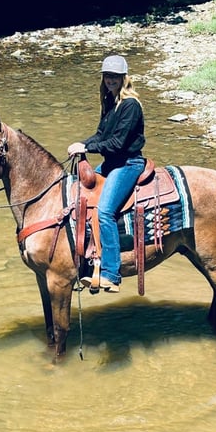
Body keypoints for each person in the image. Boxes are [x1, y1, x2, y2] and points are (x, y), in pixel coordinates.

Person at [67, 55, 146, 293]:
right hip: (112, 163)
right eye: (107, 76)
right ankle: (86, 260)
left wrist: (88, 148)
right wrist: (82, 143)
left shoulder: (130, 105)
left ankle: (111, 273)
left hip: (128, 163)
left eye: (115, 76)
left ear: (124, 78)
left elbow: (118, 143)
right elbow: (101, 135)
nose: (110, 80)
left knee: (105, 211)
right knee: (76, 193)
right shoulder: (110, 103)